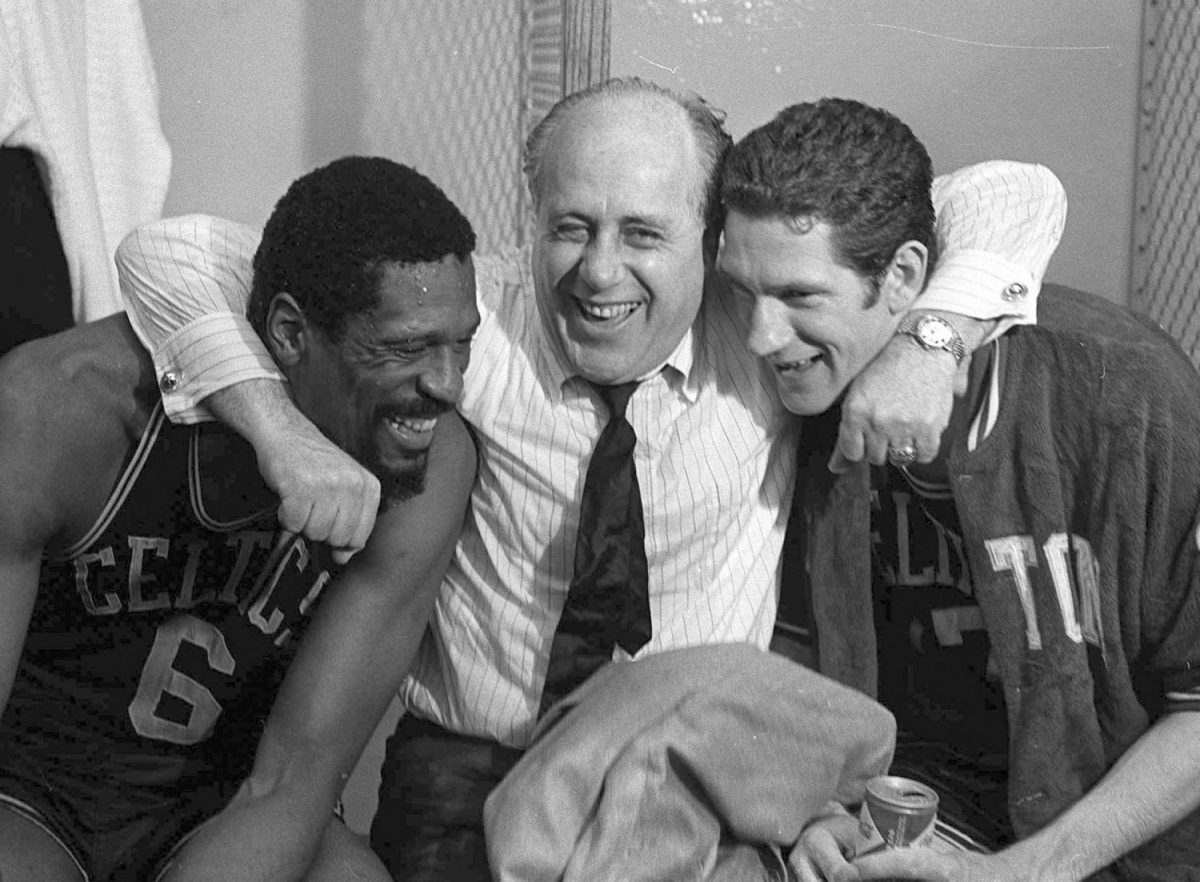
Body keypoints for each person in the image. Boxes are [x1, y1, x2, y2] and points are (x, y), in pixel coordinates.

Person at [118, 77, 1066, 879]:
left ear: (709, 236)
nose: (598, 271)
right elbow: (167, 253)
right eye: (571, 225)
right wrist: (281, 433)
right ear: (531, 220)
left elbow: (1016, 192)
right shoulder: (474, 318)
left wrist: (930, 344)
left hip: (697, 775)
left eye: (644, 234)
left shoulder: (761, 334)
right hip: (468, 774)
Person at [717, 97, 1200, 881]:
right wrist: (812, 811)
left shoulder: (1127, 395)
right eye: (743, 291)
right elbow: (802, 655)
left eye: (801, 297)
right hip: (906, 826)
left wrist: (1021, 875)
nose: (759, 337)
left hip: (1099, 849)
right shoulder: (799, 396)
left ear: (907, 274)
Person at [0, 155, 480, 882]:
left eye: (462, 343)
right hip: (37, 796)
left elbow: (295, 779)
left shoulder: (429, 464)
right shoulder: (63, 410)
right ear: (289, 332)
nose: (445, 385)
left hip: (224, 801)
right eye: (406, 348)